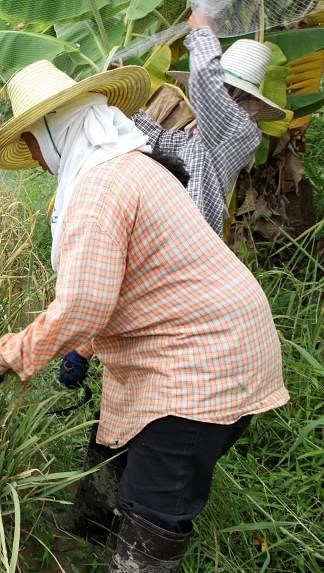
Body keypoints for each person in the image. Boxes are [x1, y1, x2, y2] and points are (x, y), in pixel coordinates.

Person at [0, 57, 289, 572]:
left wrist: (0, 358)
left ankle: (130, 559)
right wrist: (83, 346)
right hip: (200, 342)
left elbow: (85, 303)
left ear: (53, 129)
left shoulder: (100, 185)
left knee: (153, 506)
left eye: (28, 138)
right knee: (118, 442)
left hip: (201, 368)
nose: (29, 153)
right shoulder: (123, 163)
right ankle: (90, 533)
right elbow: (129, 280)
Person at [52, 12, 290, 541]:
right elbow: (146, 134)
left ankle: (134, 532)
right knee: (119, 424)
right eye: (228, 94)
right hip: (151, 300)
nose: (229, 103)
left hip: (187, 310)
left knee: (160, 446)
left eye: (236, 96)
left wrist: (202, 23)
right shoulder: (194, 143)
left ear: (248, 104)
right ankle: (91, 526)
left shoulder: (236, 136)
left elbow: (204, 87)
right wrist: (109, 92)